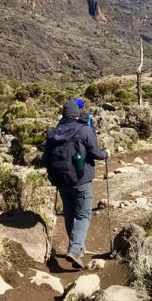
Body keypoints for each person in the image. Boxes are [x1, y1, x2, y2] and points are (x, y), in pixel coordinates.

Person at [43, 100, 108, 268]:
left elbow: (44, 159)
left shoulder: (52, 133)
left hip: (60, 181)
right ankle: (75, 249)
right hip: (80, 180)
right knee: (83, 215)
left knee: (70, 214)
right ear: (77, 114)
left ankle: (77, 248)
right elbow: (96, 153)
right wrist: (106, 153)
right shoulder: (84, 130)